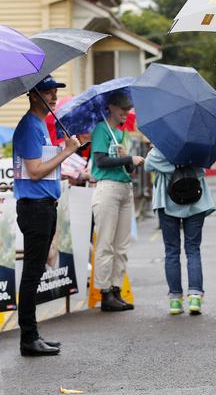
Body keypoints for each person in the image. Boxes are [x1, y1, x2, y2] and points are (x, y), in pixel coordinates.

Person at [12, 75, 81, 357]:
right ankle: (28, 338)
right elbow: (35, 170)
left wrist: (64, 156)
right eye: (47, 93)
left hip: (45, 204)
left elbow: (43, 169)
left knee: (37, 271)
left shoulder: (40, 125)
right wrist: (66, 152)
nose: (53, 98)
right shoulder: (29, 126)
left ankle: (33, 335)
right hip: (35, 207)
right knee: (31, 274)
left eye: (54, 93)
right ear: (33, 95)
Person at [144, 146, 215, 315]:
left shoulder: (163, 145)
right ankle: (195, 297)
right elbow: (205, 164)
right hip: (196, 201)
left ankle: (175, 300)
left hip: (167, 202)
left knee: (171, 251)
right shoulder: (197, 144)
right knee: (193, 249)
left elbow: (148, 164)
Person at [91, 91, 144, 312]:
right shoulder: (101, 130)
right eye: (121, 108)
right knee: (106, 243)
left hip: (124, 189)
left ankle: (116, 289)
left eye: (127, 108)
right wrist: (127, 158)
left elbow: (129, 169)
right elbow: (101, 161)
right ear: (111, 107)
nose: (125, 112)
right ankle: (104, 292)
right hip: (108, 189)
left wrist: (127, 160)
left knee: (121, 245)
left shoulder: (121, 134)